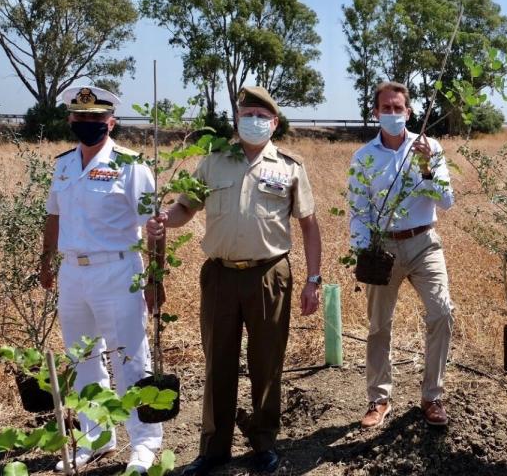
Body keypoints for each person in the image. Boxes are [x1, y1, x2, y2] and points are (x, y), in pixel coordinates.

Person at [145, 86, 322, 475]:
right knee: (218, 363)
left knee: (267, 364)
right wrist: (163, 220)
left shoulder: (290, 167)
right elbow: (184, 209)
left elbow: (309, 225)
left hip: (269, 276)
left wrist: (313, 279)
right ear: (236, 119)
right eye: (247, 114)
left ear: (274, 123)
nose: (254, 121)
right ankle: (213, 449)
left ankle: (263, 443)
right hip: (220, 277)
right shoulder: (212, 162)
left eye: (262, 116)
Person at [40, 85, 163, 473]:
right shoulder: (63, 164)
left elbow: (155, 226)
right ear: (71, 120)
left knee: (130, 357)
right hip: (73, 272)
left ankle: (144, 443)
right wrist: (46, 261)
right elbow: (54, 216)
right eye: (81, 117)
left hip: (119, 269)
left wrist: (156, 279)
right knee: (83, 358)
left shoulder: (131, 166)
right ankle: (96, 438)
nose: (87, 123)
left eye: (96, 118)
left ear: (111, 122)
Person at [347, 81, 455, 429]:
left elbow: (447, 201)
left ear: (409, 112)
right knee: (379, 325)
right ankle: (378, 399)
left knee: (441, 312)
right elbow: (358, 210)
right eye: (386, 108)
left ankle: (432, 396)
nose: (393, 114)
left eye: (399, 108)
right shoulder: (364, 157)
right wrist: (364, 251)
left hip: (424, 242)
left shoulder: (429, 147)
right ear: (375, 112)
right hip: (383, 247)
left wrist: (425, 167)